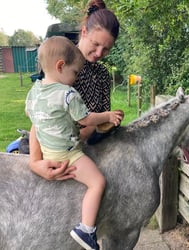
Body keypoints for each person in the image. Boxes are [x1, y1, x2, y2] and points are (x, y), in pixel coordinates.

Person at [25, 36, 123, 250]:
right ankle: (86, 230)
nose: (75, 78)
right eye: (75, 73)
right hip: (67, 155)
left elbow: (34, 119)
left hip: (46, 153)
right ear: (61, 66)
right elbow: (85, 119)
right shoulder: (68, 94)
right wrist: (106, 116)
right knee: (98, 182)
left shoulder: (34, 93)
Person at [29, 0, 121, 182]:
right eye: (95, 44)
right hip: (57, 150)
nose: (99, 53)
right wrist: (35, 162)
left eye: (106, 49)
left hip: (88, 152)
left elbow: (101, 119)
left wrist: (110, 120)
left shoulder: (102, 74)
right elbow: (40, 116)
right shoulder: (63, 65)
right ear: (84, 32)